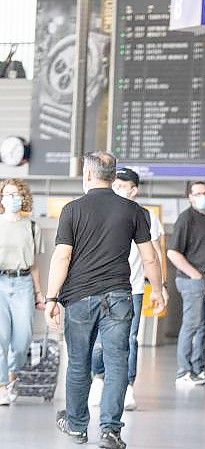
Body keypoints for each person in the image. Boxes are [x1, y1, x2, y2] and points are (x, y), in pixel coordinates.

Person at [44, 152, 164, 449]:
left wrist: (50, 298)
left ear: (87, 174)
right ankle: (110, 430)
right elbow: (150, 256)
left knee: (79, 363)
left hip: (79, 298)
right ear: (113, 176)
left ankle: (76, 425)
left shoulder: (72, 209)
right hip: (120, 297)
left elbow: (62, 256)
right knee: (116, 363)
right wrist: (159, 290)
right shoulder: (134, 210)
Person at [88, 168, 169, 411]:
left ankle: (127, 387)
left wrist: (159, 286)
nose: (119, 188)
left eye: (124, 184)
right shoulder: (100, 209)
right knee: (99, 340)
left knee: (129, 339)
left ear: (134, 189)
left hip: (131, 287)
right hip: (98, 285)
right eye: (117, 183)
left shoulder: (145, 216)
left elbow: (154, 255)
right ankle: (99, 379)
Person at [168, 181, 205, 387]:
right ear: (189, 197)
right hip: (191, 280)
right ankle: (183, 371)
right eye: (198, 193)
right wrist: (195, 274)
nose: (203, 196)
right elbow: (172, 252)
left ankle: (199, 369)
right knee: (192, 325)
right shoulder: (185, 219)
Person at [0, 179, 45, 405]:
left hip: (23, 282)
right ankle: (1, 386)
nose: (12, 199)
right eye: (7, 195)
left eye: (16, 195)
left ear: (23, 197)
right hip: (0, 282)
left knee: (22, 339)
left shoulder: (32, 226)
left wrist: (39, 293)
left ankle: (12, 375)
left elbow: (35, 263)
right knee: (1, 337)